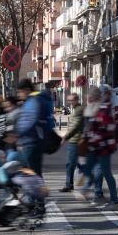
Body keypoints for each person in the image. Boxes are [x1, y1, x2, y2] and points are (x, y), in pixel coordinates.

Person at [16, 79, 54, 215]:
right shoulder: (31, 101)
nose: (19, 95)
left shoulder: (34, 101)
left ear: (26, 90)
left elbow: (32, 120)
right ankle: (35, 204)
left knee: (32, 175)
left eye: (20, 92)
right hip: (29, 141)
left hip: (32, 142)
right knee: (31, 174)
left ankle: (37, 205)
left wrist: (18, 133)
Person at [81, 85, 118, 211]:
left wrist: (93, 138)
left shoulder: (104, 108)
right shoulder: (98, 108)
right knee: (88, 167)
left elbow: (104, 128)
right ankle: (86, 190)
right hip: (96, 146)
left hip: (103, 147)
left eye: (90, 98)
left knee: (105, 173)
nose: (88, 100)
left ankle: (113, 201)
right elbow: (93, 125)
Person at [59, 93, 84, 192]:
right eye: (69, 101)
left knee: (70, 163)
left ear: (76, 100)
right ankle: (71, 184)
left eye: (71, 101)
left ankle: (69, 185)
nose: (70, 103)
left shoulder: (79, 110)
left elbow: (75, 126)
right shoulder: (77, 109)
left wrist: (65, 137)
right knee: (76, 163)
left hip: (75, 140)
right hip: (75, 140)